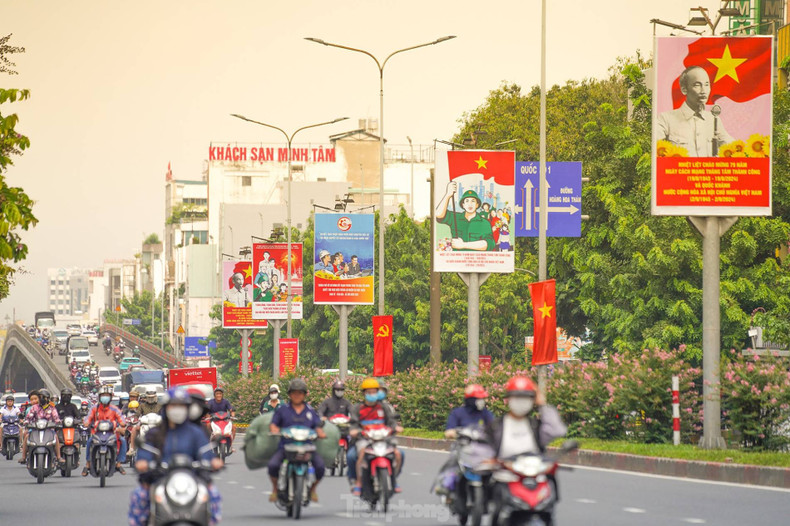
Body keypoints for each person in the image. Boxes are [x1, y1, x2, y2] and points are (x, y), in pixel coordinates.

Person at [130, 387, 223, 526]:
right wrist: (143, 462)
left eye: (181, 405)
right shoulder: (155, 433)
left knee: (213, 494)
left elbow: (206, 452)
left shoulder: (195, 432)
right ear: (166, 408)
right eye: (174, 405)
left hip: (192, 478)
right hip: (160, 478)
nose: (177, 409)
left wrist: (214, 461)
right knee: (139, 496)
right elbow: (145, 452)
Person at [268, 378, 326, 503]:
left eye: (300, 393)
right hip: (286, 446)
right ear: (289, 394)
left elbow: (317, 425)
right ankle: (275, 489)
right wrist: (274, 430)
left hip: (307, 447)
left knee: (320, 467)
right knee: (272, 465)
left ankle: (313, 489)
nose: (297, 395)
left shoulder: (310, 411)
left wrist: (320, 432)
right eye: (294, 392)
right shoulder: (282, 410)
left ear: (304, 395)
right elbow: (274, 424)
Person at [657, 65, 734, 157]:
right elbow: (656, 155)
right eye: (697, 85)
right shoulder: (665, 119)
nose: (703, 90)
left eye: (706, 84)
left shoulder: (713, 119)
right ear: (684, 90)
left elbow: (734, 148)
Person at [484, 376, 566, 459]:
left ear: (533, 400)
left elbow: (558, 431)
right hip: (505, 471)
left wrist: (542, 404)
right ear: (508, 398)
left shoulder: (535, 426)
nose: (521, 402)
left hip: (533, 470)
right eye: (517, 397)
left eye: (525, 397)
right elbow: (485, 453)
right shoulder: (496, 426)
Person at [348, 378, 402, 496]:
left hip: (383, 438)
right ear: (364, 393)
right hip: (365, 439)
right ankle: (359, 482)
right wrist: (355, 431)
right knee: (359, 453)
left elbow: (391, 421)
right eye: (369, 392)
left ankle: (393, 480)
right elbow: (353, 424)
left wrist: (395, 428)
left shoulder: (384, 408)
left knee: (398, 454)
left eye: (374, 392)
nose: (372, 395)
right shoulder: (357, 408)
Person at [82, 385, 128, 476]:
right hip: (97, 433)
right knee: (89, 442)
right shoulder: (94, 408)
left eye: (107, 395)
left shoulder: (114, 409)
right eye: (103, 395)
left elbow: (122, 420)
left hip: (112, 433)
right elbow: (88, 418)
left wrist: (122, 423)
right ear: (99, 397)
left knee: (122, 441)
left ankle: (119, 463)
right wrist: (86, 422)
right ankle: (88, 464)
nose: (105, 397)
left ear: (110, 397)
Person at [435, 183, 496, 251]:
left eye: (473, 201)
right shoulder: (455, 217)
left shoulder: (485, 223)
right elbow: (438, 214)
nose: (470, 204)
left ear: (477, 205)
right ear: (463, 205)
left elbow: (489, 244)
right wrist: (448, 195)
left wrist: (463, 245)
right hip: (456, 260)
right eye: (466, 201)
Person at [23, 388, 63, 464]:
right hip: (36, 430)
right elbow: (29, 417)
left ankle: (58, 457)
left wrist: (58, 423)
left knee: (56, 437)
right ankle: (24, 457)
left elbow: (56, 418)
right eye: (40, 397)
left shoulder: (52, 408)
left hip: (49, 430)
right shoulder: (34, 408)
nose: (41, 399)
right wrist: (26, 422)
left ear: (47, 398)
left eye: (43, 397)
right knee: (26, 437)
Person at [18, 390, 39, 463]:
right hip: (33, 429)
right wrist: (25, 423)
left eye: (35, 399)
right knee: (26, 435)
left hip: (44, 428)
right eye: (32, 399)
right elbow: (27, 419)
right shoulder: (29, 409)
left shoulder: (44, 407)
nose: (34, 401)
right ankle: (23, 456)